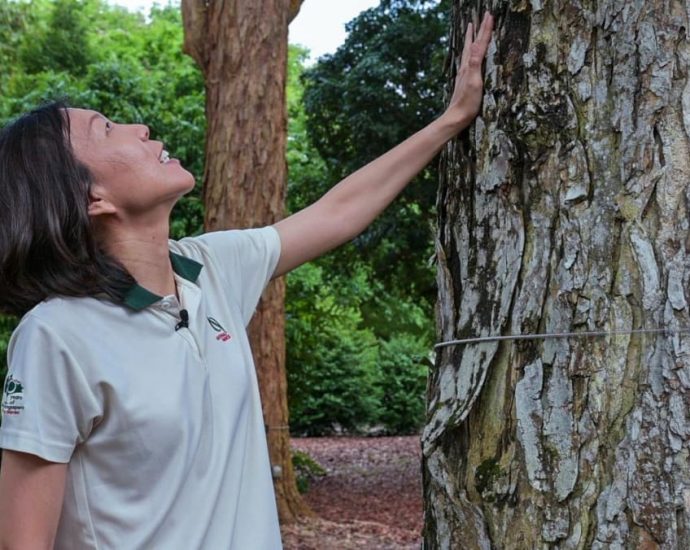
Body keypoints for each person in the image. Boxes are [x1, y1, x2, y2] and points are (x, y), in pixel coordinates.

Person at [0, 12, 494, 550]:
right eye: (107, 129)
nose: (139, 129)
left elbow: (339, 212)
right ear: (93, 198)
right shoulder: (56, 336)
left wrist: (451, 119)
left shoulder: (211, 269)